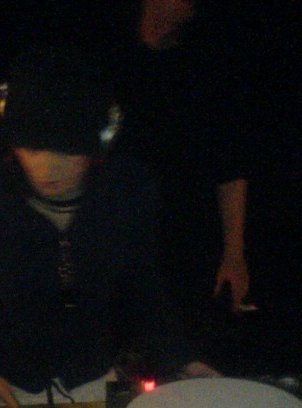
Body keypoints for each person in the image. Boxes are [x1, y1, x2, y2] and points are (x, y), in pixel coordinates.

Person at [0, 47, 219, 408]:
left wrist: (182, 358)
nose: (49, 167)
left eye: (67, 150)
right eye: (33, 149)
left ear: (98, 146)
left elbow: (143, 290)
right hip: (2, 385)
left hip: (92, 377)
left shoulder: (127, 194)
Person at [108, 0, 254, 334]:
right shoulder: (108, 52)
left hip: (182, 240)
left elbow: (229, 165)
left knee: (178, 339)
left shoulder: (205, 66)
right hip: (108, 231)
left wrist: (234, 254)